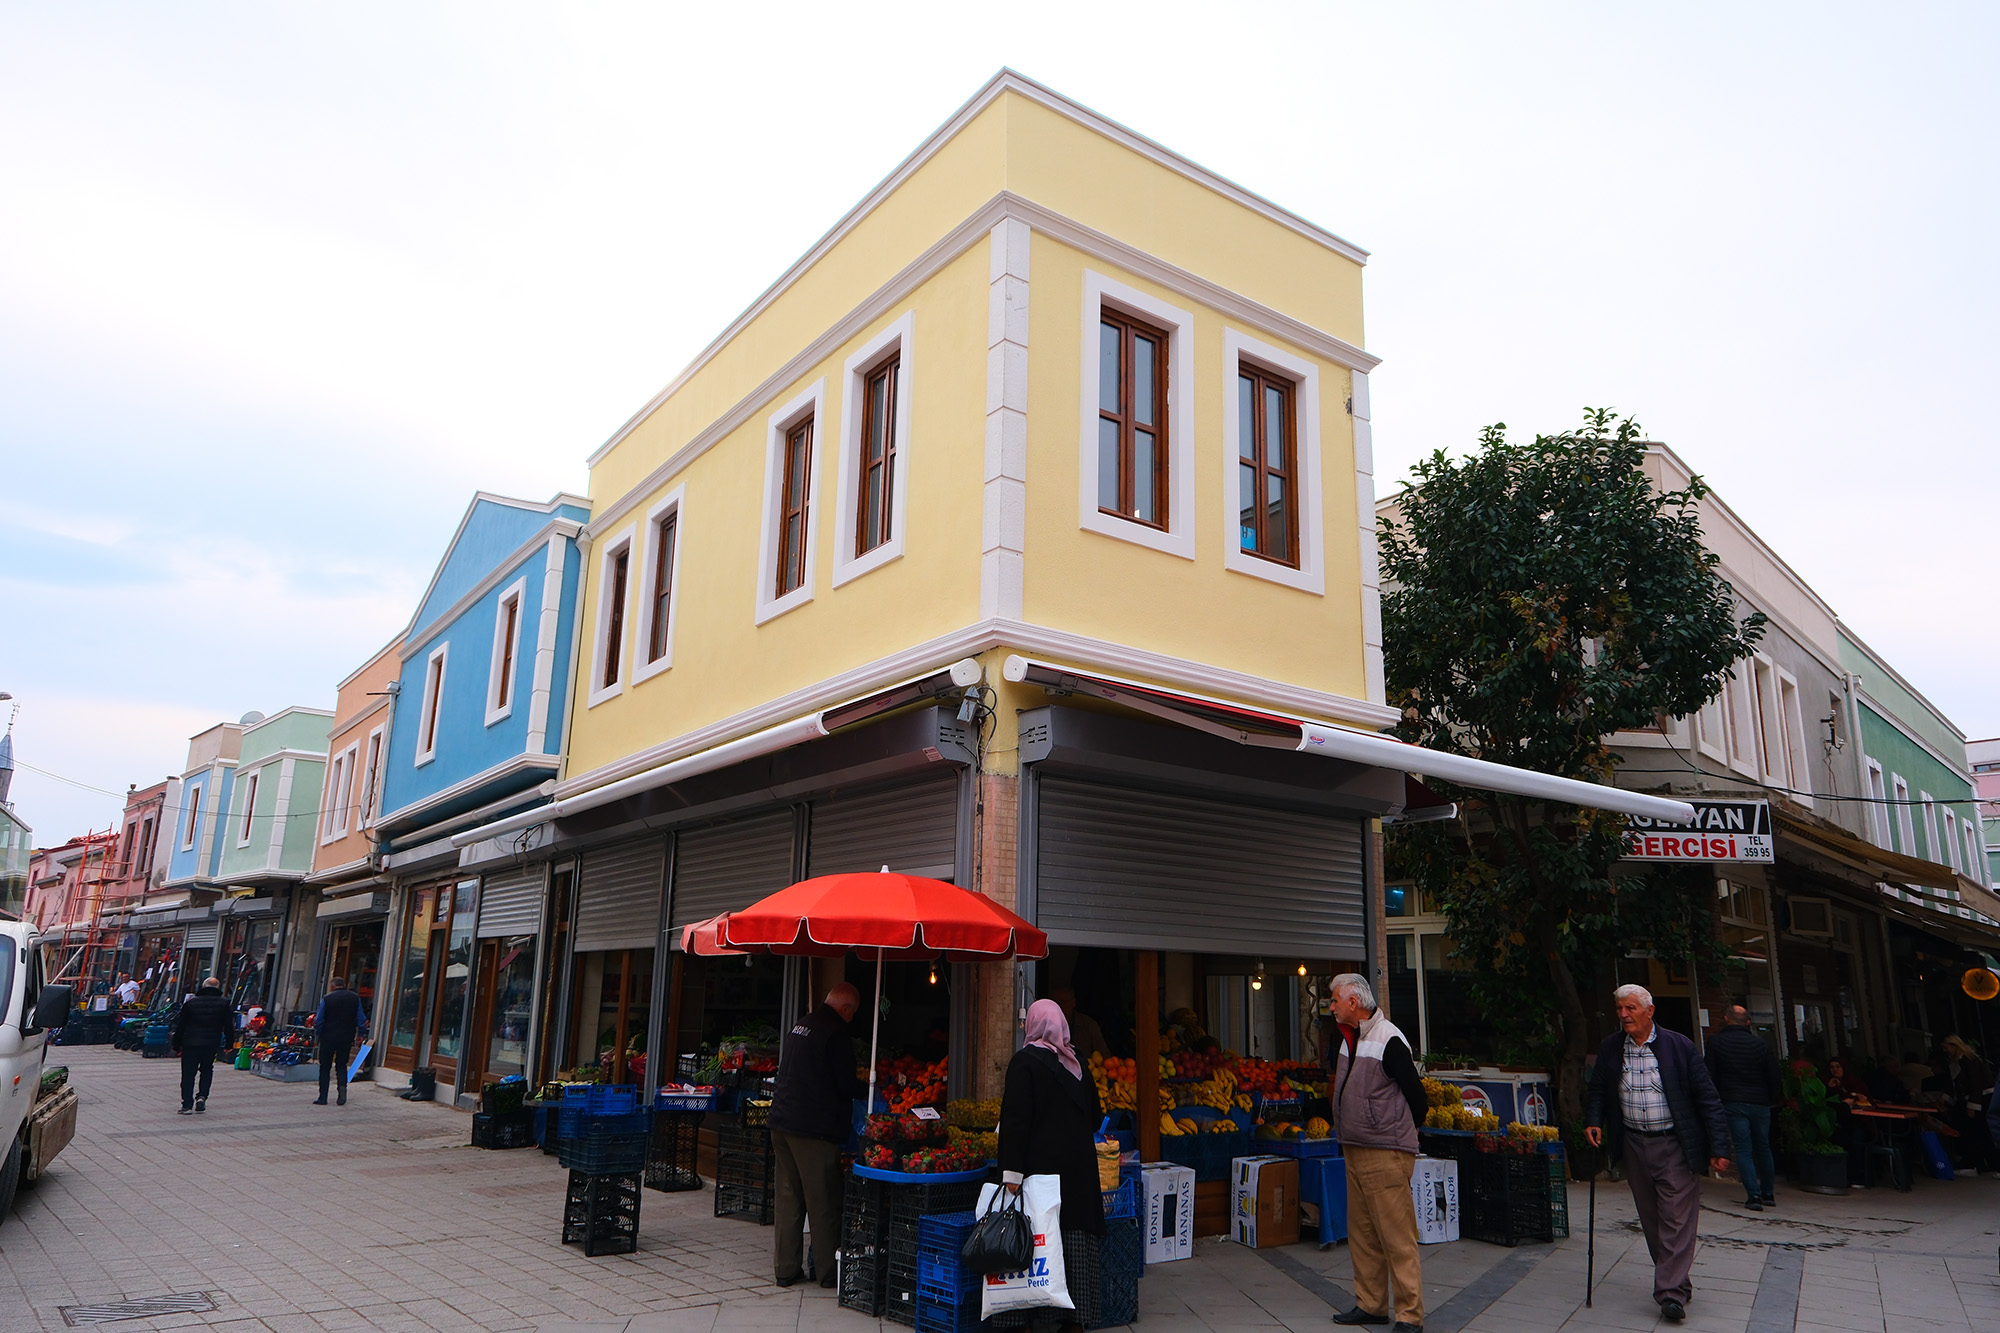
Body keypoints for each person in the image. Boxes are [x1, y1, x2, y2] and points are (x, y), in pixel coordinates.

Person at [1586, 984, 1731, 1324]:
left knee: (1676, 1219)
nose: (1624, 1015)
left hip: (1674, 1144)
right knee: (1652, 1220)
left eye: (1631, 1008)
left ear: (1650, 1011)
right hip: (1634, 1144)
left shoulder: (1678, 1047)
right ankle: (1678, 1280)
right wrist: (1594, 1121)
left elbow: (1708, 1098)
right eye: (1620, 1008)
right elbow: (1598, 1089)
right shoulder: (1611, 1047)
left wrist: (1719, 1147)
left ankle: (1670, 1294)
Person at [992, 998, 1106, 1332]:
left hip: (1040, 1171)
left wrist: (1011, 1174)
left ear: (1034, 1026)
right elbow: (1096, 1116)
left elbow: (1015, 1123)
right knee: (1074, 1242)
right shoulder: (1078, 1063)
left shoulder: (1025, 1063)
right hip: (1079, 1173)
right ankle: (1074, 1318)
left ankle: (1022, 1317)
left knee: (1036, 1242)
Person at [1322, 974, 1426, 1332]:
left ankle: (1410, 1316)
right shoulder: (1347, 1040)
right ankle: (1371, 1305)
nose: (1331, 1006)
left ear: (1354, 1002)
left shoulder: (1389, 1038)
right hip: (1354, 1148)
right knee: (1363, 1233)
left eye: (1335, 1000)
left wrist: (1402, 1134)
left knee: (1396, 1236)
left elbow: (1417, 1097)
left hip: (1385, 1152)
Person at [767, 981, 867, 1291]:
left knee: (788, 1199)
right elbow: (845, 1085)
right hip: (813, 1130)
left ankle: (785, 1269)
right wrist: (873, 1087)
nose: (852, 1020)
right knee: (823, 1200)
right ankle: (828, 1272)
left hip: (782, 1122)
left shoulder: (803, 1023)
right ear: (846, 1008)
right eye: (853, 1014)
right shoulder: (835, 1033)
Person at [1703, 1005, 1782, 1210]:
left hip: (1733, 1101)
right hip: (1760, 1103)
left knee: (1743, 1149)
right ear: (1748, 1022)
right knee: (1763, 1147)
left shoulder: (1716, 1043)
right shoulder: (1761, 1045)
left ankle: (1753, 1196)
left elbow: (1708, 1076)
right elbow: (1774, 1075)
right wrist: (1772, 1098)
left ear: (1726, 1019)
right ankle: (1768, 1192)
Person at [170, 976, 232, 1115]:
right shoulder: (224, 1003)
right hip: (211, 1043)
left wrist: (176, 1044)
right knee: (207, 1070)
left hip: (190, 1043)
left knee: (188, 1073)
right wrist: (229, 1044)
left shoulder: (191, 1003)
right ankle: (202, 1096)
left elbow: (181, 1026)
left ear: (203, 987)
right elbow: (228, 1026)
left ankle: (187, 1105)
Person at [313, 976, 367, 1107]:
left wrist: (317, 1035)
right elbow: (361, 1019)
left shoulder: (327, 999)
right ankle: (342, 1091)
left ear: (332, 986)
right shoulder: (355, 998)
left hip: (328, 1037)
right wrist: (360, 1034)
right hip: (346, 1037)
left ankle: (323, 1097)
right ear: (344, 985)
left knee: (325, 1067)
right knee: (341, 1066)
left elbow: (319, 1020)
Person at [1051, 986, 1109, 1065]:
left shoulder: (1088, 1025)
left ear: (1073, 1003)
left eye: (1063, 1002)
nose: (1059, 1007)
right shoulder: (1047, 1026)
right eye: (1055, 1003)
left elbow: (1105, 1058)